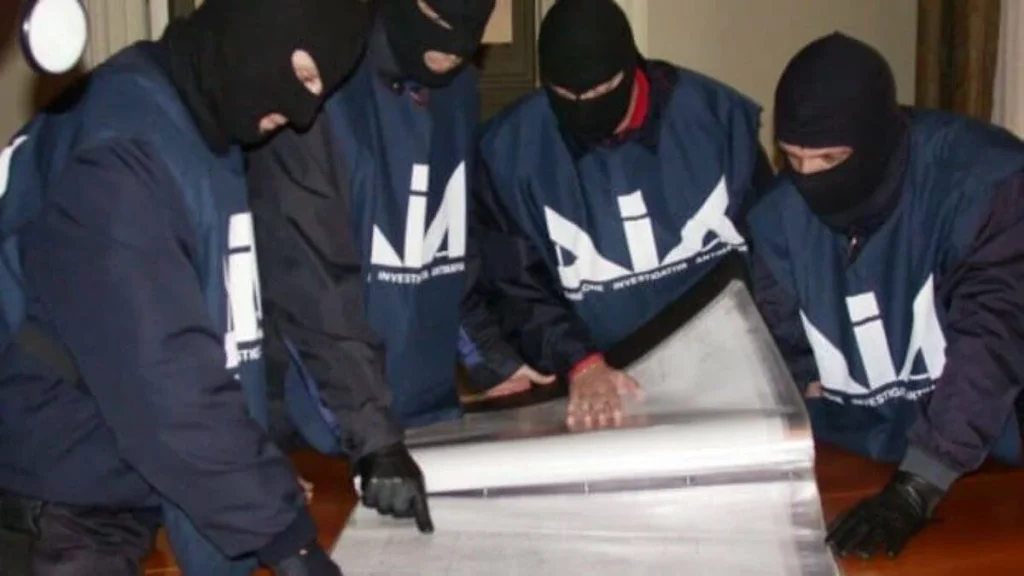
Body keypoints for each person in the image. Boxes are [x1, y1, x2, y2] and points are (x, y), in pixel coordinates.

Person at [0, 0, 369, 574]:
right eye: (300, 74)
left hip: (108, 483)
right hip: (56, 505)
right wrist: (286, 538)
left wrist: (258, 475)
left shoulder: (199, 124)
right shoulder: (121, 151)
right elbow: (167, 380)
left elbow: (223, 335)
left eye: (321, 90)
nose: (301, 112)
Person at [246, 0, 526, 536]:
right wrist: (372, 438)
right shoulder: (320, 87)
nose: (454, 48)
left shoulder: (458, 88)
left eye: (471, 28)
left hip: (423, 419)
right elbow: (310, 286)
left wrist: (492, 361)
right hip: (322, 429)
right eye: (439, 23)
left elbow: (448, 242)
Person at [747, 32, 1024, 559]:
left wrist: (920, 484)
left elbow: (992, 339)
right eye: (793, 158)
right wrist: (798, 381)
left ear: (875, 142)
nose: (809, 178)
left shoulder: (985, 185)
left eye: (829, 158)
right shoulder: (777, 218)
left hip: (993, 458)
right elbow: (785, 340)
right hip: (861, 452)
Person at [472, 0, 772, 429]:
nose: (584, 107)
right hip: (599, 388)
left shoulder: (716, 122)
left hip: (730, 375)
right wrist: (581, 362)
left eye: (600, 92)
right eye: (565, 96)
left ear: (631, 67)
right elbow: (516, 287)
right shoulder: (509, 153)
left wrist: (790, 359)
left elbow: (771, 254)